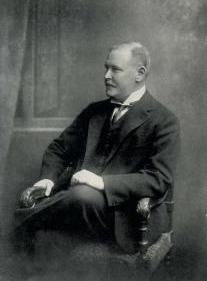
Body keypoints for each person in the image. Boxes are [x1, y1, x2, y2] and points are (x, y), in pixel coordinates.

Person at [14, 41, 180, 255]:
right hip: (78, 206)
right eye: (106, 68)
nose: (106, 76)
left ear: (139, 74)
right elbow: (59, 149)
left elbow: (158, 178)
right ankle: (21, 233)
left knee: (82, 195)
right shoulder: (94, 111)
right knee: (76, 196)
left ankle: (14, 228)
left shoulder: (164, 120)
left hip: (125, 215)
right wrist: (48, 178)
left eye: (115, 69)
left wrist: (101, 182)